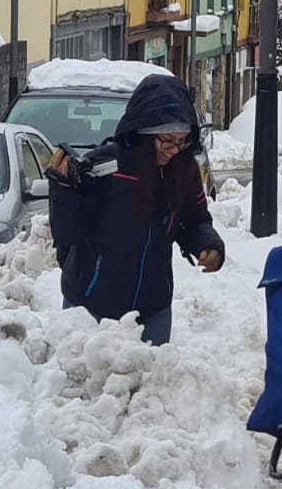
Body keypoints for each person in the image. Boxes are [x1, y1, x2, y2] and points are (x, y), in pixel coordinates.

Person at [48, 73, 224, 345]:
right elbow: (69, 233)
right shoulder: (106, 168)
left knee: (150, 382)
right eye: (167, 141)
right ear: (143, 133)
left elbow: (194, 219)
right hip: (90, 306)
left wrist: (208, 245)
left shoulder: (183, 171)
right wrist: (63, 190)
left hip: (153, 307)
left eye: (183, 141)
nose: (175, 150)